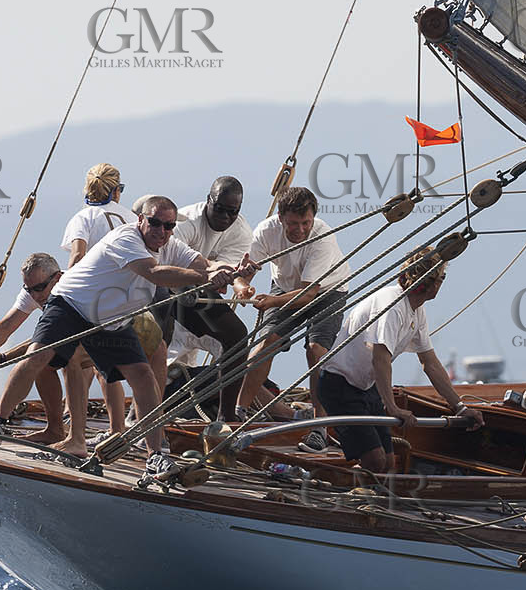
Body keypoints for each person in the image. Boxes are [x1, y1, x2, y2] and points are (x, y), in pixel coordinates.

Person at [0, 197, 245, 475]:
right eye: (154, 223)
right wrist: (203, 277)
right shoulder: (126, 237)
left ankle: (155, 454)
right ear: (141, 220)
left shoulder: (172, 246)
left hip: (110, 319)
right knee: (39, 356)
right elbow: (153, 273)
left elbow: (204, 265)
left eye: (168, 226)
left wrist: (229, 272)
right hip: (71, 304)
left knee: (143, 375)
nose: (161, 231)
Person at [316, 245, 484, 473]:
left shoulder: (416, 310)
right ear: (433, 283)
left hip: (365, 387)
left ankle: (365, 493)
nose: (442, 283)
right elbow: (380, 359)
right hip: (339, 386)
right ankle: (349, 494)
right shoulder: (392, 306)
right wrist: (393, 408)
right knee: (375, 461)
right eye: (441, 277)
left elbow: (430, 364)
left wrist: (460, 407)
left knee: (387, 461)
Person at [237, 187, 353, 451]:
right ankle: (239, 413)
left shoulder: (322, 237)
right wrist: (242, 287)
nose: (300, 230)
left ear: (313, 219)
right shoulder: (266, 231)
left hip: (326, 290)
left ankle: (319, 428)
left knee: (316, 351)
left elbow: (310, 293)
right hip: (285, 285)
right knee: (266, 344)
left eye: (305, 223)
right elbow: (244, 272)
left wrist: (272, 301)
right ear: (280, 218)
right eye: (293, 224)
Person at [157, 176, 253, 420]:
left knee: (237, 336)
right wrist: (211, 275)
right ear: (209, 200)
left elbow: (224, 270)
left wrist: (240, 284)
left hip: (198, 292)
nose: (225, 217)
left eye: (232, 212)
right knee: (159, 338)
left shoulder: (240, 232)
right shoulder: (185, 222)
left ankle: (226, 416)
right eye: (219, 209)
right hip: (163, 286)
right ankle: (146, 415)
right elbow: (168, 263)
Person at [0, 253, 76, 453]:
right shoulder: (37, 290)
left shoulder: (70, 291)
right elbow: (8, 324)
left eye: (39, 289)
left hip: (104, 333)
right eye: (28, 289)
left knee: (69, 364)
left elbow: (43, 342)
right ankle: (55, 430)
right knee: (44, 366)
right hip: (69, 337)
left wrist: (2, 358)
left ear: (58, 278)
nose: (34, 295)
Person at [62, 163, 135, 438]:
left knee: (73, 360)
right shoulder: (130, 217)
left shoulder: (83, 218)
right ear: (117, 191)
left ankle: (73, 429)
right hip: (127, 299)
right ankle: (116, 429)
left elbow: (77, 256)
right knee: (106, 365)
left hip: (92, 299)